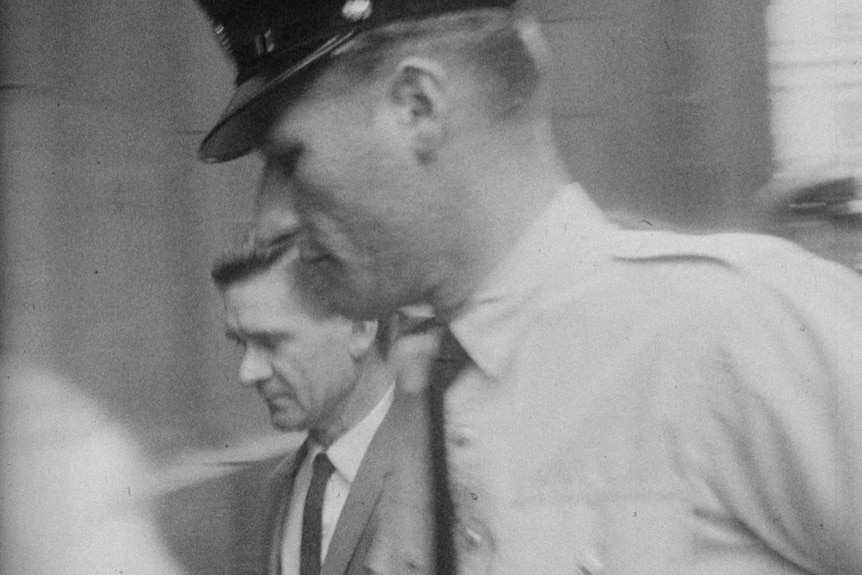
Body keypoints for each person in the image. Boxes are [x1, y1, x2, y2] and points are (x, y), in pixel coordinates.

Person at [194, 1, 862, 573]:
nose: (270, 218)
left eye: (290, 158)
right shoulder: (421, 386)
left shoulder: (735, 328)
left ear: (417, 106)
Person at [211, 233, 432, 575]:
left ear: (361, 328)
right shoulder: (284, 486)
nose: (247, 372)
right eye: (241, 343)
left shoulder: (432, 477)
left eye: (270, 342)